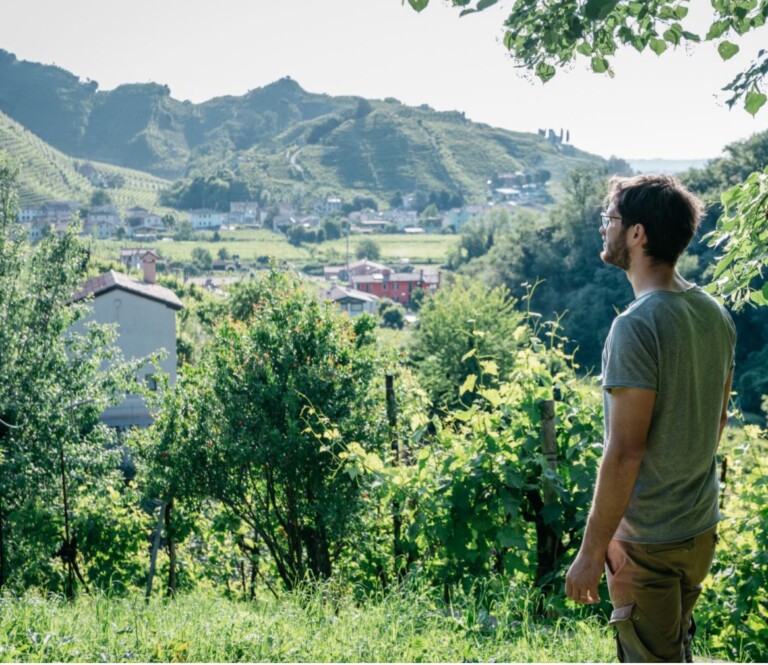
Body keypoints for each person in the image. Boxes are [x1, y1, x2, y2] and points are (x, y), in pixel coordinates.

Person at [565, 174, 736, 662]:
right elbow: (718, 420)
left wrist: (591, 552)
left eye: (610, 218)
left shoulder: (636, 326)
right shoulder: (715, 314)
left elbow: (625, 451)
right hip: (698, 529)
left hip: (647, 542)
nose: (604, 228)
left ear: (637, 233)